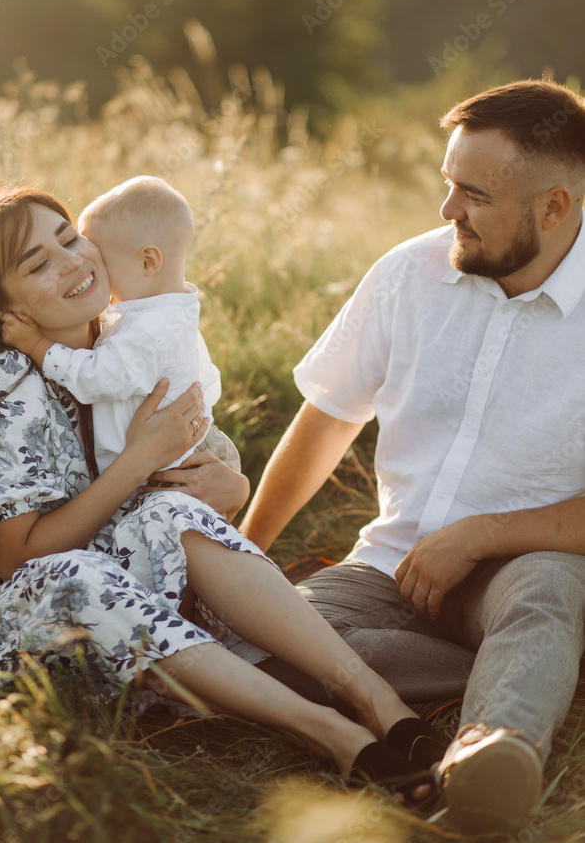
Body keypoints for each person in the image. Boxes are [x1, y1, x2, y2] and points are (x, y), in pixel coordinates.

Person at [0, 185, 450, 810]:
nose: (73, 262)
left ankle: (374, 698)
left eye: (69, 238)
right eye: (38, 264)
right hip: (6, 636)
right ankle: (328, 732)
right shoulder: (2, 385)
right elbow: (20, 561)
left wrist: (231, 484)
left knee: (171, 512)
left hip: (113, 591)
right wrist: (138, 462)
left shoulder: (125, 335)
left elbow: (194, 459)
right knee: (76, 570)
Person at [239, 79, 585, 833]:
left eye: (473, 194)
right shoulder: (409, 273)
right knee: (265, 638)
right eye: (446, 184)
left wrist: (481, 536)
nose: (446, 211)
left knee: (545, 596)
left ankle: (492, 750)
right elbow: (324, 423)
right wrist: (248, 558)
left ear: (553, 206)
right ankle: (539, 672)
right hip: (387, 567)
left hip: (527, 563)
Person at [0, 175, 239, 485]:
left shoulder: (146, 332)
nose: (81, 264)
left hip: (173, 470)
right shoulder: (171, 312)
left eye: (87, 247)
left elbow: (94, 378)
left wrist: (35, 344)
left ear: (148, 261)